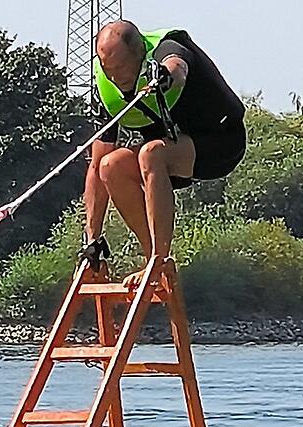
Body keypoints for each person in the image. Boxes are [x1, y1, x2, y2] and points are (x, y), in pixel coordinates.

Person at [80, 21, 246, 287]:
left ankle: (159, 258)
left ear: (138, 54)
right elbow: (96, 167)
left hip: (221, 143)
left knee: (151, 153)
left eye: (121, 67)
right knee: (110, 166)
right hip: (172, 155)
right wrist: (92, 239)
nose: (115, 78)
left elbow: (178, 66)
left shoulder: (166, 48)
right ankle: (152, 259)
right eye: (107, 69)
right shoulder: (106, 87)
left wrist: (165, 76)